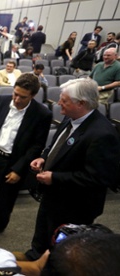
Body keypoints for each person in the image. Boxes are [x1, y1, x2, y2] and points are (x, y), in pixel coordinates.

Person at [24, 78, 120, 261]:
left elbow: (99, 178)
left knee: (62, 253)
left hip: (75, 207)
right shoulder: (71, 117)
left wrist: (55, 177)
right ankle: (35, 259)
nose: (59, 103)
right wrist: (43, 158)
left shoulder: (103, 134)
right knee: (41, 240)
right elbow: (55, 146)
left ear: (81, 103)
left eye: (64, 100)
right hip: (52, 198)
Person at [0, 73, 52, 238]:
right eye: (15, 94)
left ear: (33, 96)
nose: (16, 99)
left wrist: (19, 169)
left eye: (22, 97)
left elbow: (36, 146)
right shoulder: (3, 100)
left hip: (14, 160)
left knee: (6, 197)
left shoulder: (42, 114)